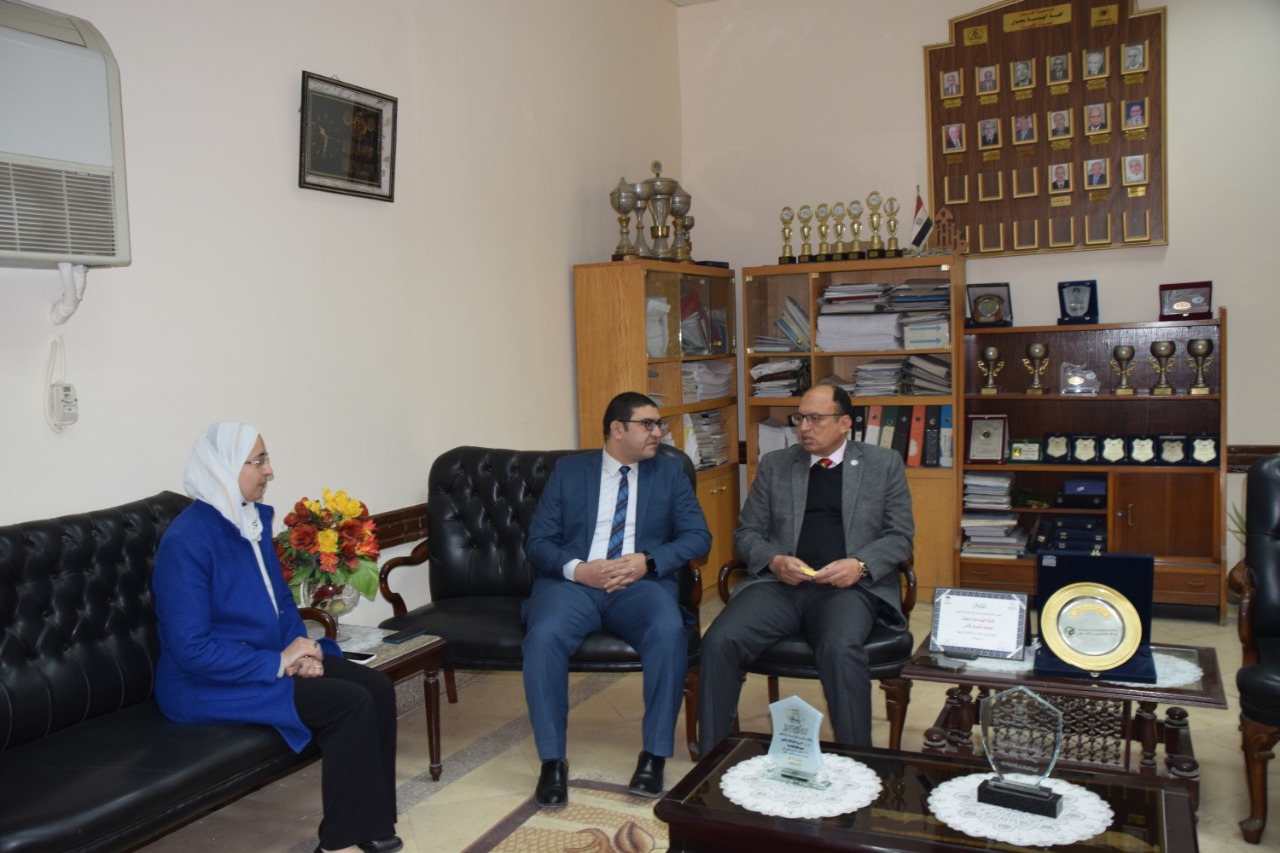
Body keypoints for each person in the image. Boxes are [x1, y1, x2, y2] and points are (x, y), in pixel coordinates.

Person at [153, 423, 401, 853]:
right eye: (258, 461)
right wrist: (278, 662)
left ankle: (370, 821)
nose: (269, 471)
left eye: (266, 459)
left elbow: (282, 604)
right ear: (225, 467)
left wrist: (301, 652)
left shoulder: (248, 520)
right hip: (205, 683)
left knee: (376, 687)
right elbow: (191, 648)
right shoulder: (186, 542)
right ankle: (338, 843)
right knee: (348, 703)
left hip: (265, 660)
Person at [698, 383, 914, 754]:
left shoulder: (883, 464)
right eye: (800, 418)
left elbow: (900, 537)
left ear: (844, 423)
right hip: (779, 585)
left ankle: (858, 763)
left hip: (846, 589)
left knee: (839, 647)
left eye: (815, 419)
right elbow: (747, 533)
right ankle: (713, 760)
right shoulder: (777, 465)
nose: (804, 428)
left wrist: (860, 565)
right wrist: (774, 560)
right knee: (720, 640)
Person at [523, 392, 710, 806]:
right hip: (574, 585)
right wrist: (578, 570)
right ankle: (552, 761)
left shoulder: (670, 472)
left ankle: (654, 755)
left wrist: (648, 560)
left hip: (639, 585)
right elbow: (538, 542)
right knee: (543, 635)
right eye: (648, 424)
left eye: (660, 424)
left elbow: (699, 538)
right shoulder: (570, 472)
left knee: (668, 630)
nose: (658, 432)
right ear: (617, 429)